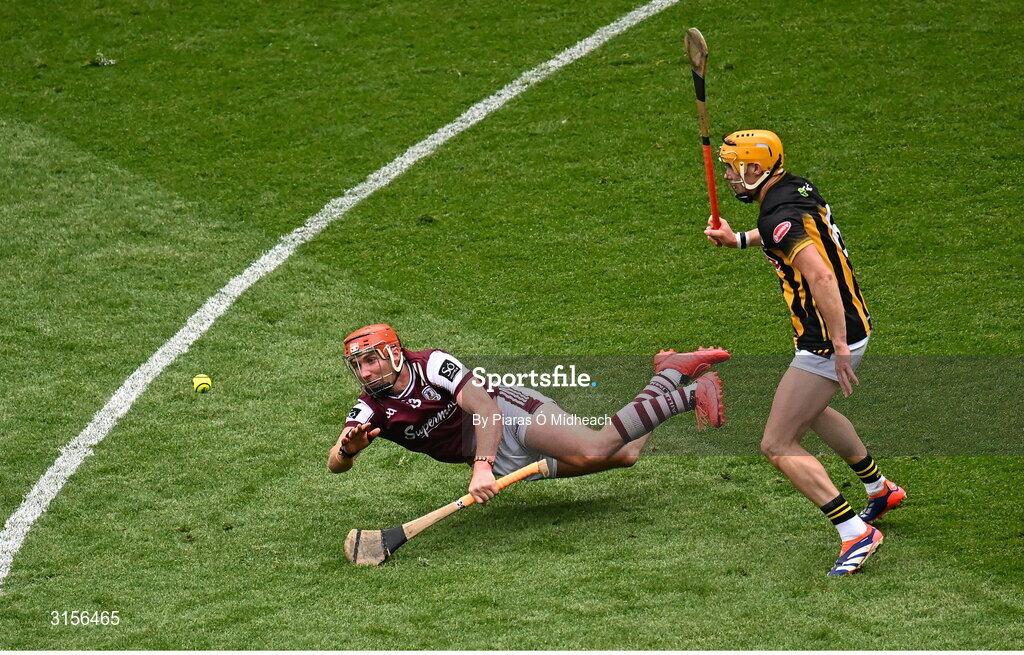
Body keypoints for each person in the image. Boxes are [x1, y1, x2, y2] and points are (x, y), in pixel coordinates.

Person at [704, 130, 906, 576]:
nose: (728, 177)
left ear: (757, 169)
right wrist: (738, 239)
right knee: (811, 412)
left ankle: (856, 532)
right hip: (846, 325)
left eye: (734, 169)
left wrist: (835, 345)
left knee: (777, 443)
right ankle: (880, 490)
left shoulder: (781, 211)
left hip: (829, 335)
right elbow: (781, 231)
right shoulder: (796, 188)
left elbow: (821, 277)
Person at [328, 324, 730, 504]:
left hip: (508, 414)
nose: (364, 372)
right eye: (357, 365)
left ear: (394, 354)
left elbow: (485, 407)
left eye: (371, 361)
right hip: (496, 458)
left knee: (594, 448)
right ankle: (671, 373)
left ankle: (694, 393)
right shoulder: (370, 407)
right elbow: (335, 464)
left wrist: (481, 466)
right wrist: (348, 450)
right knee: (624, 455)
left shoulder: (431, 365)